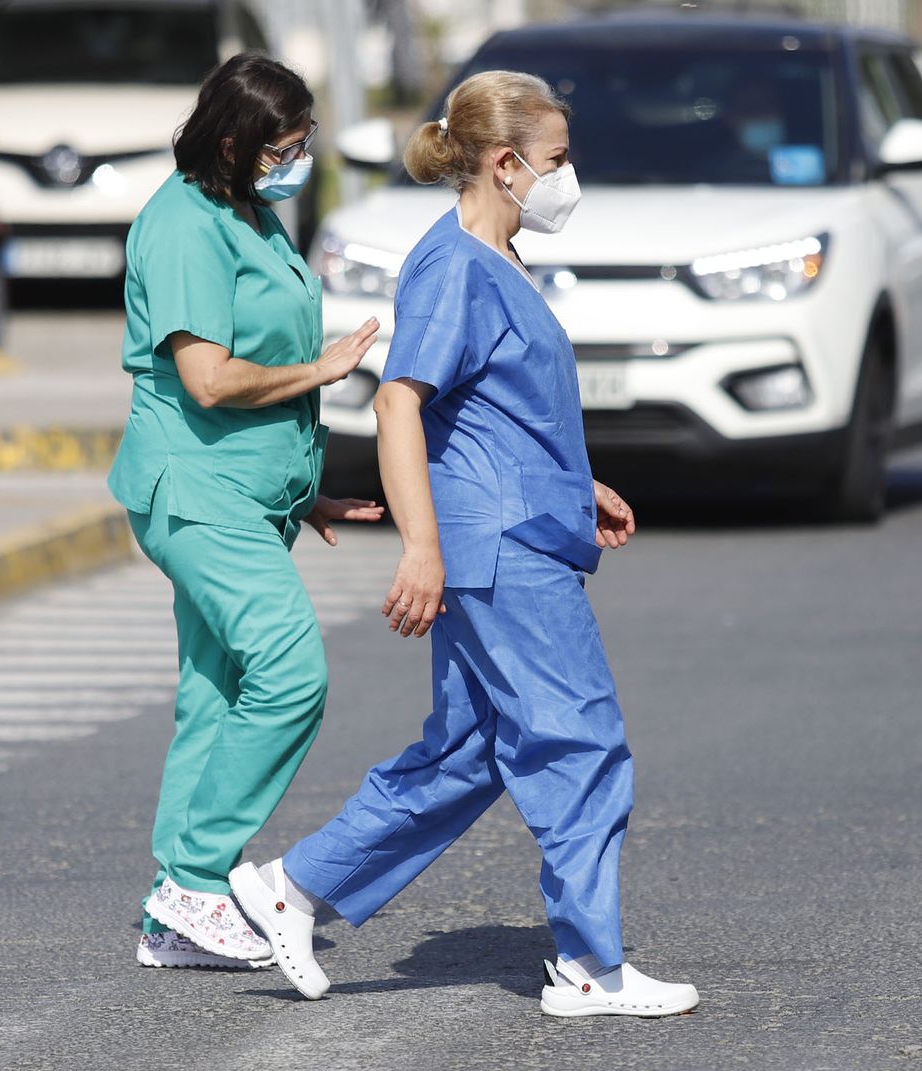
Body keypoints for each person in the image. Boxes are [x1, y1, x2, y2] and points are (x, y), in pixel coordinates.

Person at [229, 70, 700, 1018]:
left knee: (475, 749)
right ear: (506, 162)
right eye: (559, 159)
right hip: (499, 556)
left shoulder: (500, 257)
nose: (570, 177)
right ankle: (588, 967)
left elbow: (496, 418)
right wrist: (422, 549)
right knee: (581, 741)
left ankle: (292, 887)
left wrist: (578, 488)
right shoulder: (455, 267)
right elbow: (402, 401)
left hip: (519, 531)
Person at [106, 53, 385, 970]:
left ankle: (171, 916)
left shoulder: (249, 213)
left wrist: (306, 492)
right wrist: (326, 369)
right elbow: (211, 378)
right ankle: (196, 881)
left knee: (218, 693)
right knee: (290, 675)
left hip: (245, 495)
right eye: (286, 146)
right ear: (233, 142)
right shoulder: (185, 225)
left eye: (304, 144)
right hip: (194, 492)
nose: (297, 160)